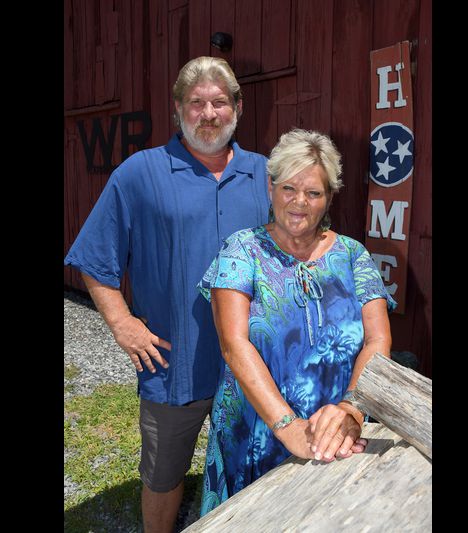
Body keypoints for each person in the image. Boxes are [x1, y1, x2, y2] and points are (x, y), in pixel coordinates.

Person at [64, 56, 270, 533]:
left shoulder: (265, 174)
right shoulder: (140, 174)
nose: (208, 114)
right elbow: (95, 259)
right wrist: (122, 323)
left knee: (254, 468)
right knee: (163, 476)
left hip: (254, 365)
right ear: (178, 109)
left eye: (219, 102)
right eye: (196, 103)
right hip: (174, 365)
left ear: (238, 107)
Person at [196, 128, 397, 515]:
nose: (299, 202)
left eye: (313, 193)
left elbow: (377, 341)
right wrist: (288, 427)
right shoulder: (242, 251)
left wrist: (352, 410)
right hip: (255, 430)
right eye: (288, 188)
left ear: (329, 197)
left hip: (335, 431)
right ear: (270, 187)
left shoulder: (353, 255)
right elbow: (234, 344)